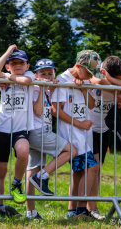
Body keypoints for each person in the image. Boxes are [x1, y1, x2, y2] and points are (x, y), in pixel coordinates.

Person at [87, 55, 121, 219]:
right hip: (88, 127)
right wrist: (116, 89)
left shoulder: (119, 70)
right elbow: (98, 82)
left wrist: (114, 84)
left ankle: (91, 209)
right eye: (119, 79)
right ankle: (85, 208)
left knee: (98, 169)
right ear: (104, 71)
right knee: (92, 167)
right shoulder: (94, 69)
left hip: (104, 128)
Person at [25, 59, 77, 219]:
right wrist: (42, 87)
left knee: (32, 170)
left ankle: (30, 213)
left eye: (50, 73)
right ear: (36, 75)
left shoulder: (48, 90)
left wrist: (50, 88)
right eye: (43, 74)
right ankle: (42, 176)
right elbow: (38, 111)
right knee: (71, 150)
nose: (47, 76)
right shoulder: (35, 88)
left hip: (39, 133)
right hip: (38, 132)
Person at [51, 50, 101, 218]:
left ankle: (72, 211)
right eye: (88, 72)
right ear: (78, 66)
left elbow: (92, 105)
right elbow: (56, 110)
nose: (89, 76)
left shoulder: (84, 81)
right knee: (93, 167)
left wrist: (85, 88)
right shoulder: (63, 80)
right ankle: (81, 210)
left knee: (79, 172)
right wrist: (79, 123)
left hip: (83, 135)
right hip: (72, 135)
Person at [0, 45, 35, 216]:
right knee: (0, 171)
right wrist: (7, 52)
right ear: (8, 64)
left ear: (27, 66)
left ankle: (17, 182)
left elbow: (26, 81)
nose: (18, 66)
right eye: (13, 63)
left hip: (20, 130)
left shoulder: (29, 75)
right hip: (2, 129)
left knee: (23, 151)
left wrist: (7, 76)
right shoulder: (2, 76)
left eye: (21, 63)